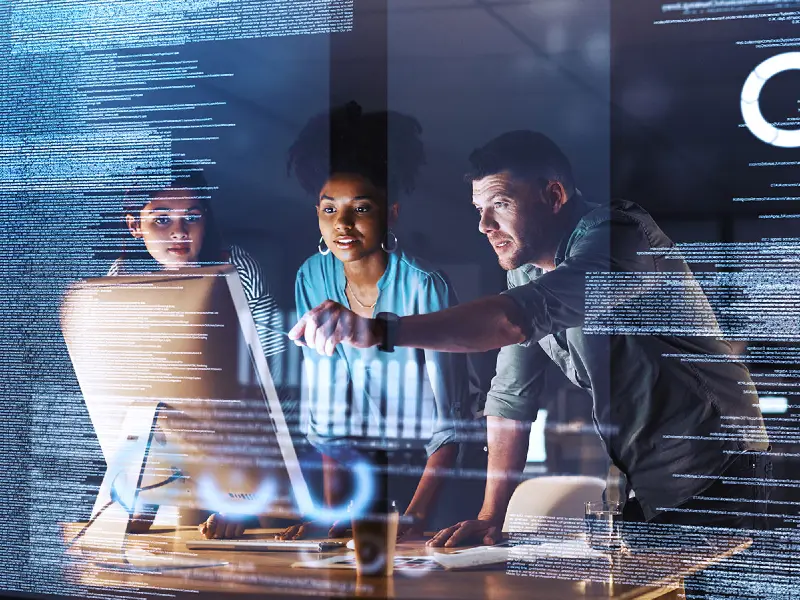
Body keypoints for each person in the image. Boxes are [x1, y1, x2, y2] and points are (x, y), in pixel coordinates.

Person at [288, 130, 771, 547]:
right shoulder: (523, 276)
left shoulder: (619, 239)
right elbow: (510, 399)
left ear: (554, 195)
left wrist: (377, 330)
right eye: (479, 209)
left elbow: (513, 322)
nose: (484, 225)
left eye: (500, 204)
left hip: (719, 470)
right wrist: (489, 517)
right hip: (642, 477)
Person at [110, 166, 292, 536]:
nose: (179, 231)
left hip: (253, 439)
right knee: (174, 542)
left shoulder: (237, 268)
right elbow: (123, 386)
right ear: (134, 226)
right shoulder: (121, 279)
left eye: (191, 217)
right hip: (169, 441)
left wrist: (245, 491)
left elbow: (280, 378)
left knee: (271, 534)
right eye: (161, 219)